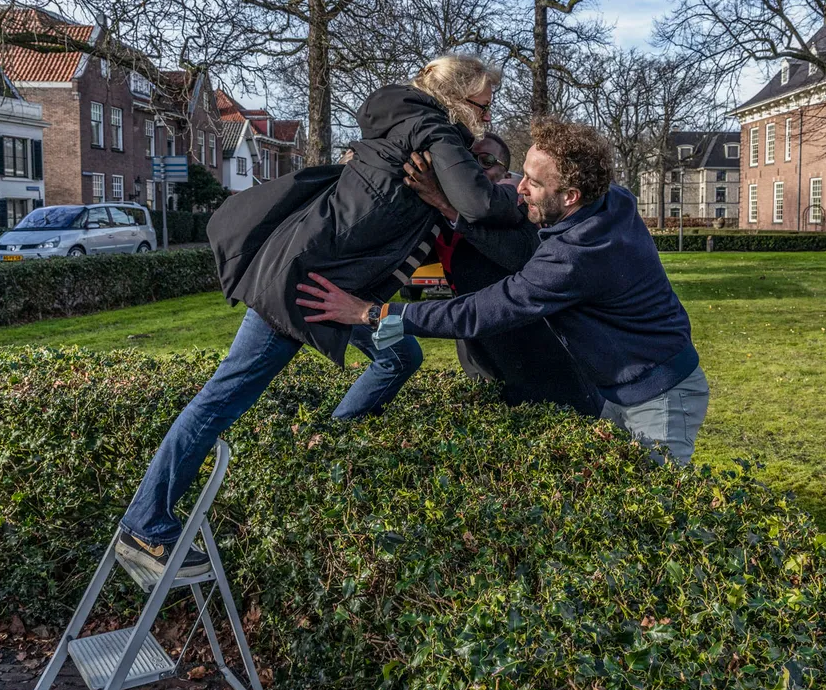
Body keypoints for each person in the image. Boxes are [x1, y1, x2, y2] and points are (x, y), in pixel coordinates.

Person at [116, 55, 522, 577]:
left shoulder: (407, 126)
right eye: (484, 105)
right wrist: (520, 205)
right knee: (222, 398)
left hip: (331, 285)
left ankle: (333, 440)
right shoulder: (431, 129)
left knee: (400, 353)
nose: (488, 117)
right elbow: (480, 203)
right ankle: (145, 525)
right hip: (303, 286)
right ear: (459, 98)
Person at [298, 117, 709, 465]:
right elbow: (509, 202)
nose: (518, 188)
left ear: (569, 196)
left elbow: (480, 311)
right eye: (522, 173)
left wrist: (373, 314)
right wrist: (449, 202)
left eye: (532, 182)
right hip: (616, 387)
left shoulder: (574, 257)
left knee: (654, 524)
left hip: (661, 399)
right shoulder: (611, 198)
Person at [426, 134, 603, 416]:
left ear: (505, 174)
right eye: (466, 162)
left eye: (484, 161)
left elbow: (522, 256)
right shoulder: (439, 215)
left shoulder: (522, 209)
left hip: (534, 351)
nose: (473, 169)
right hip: (478, 347)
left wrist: (449, 210)